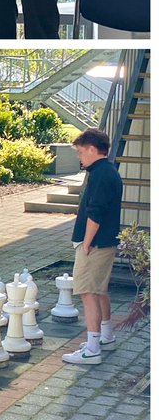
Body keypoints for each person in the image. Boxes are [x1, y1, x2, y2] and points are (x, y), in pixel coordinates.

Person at [63, 127, 123, 366]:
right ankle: (105, 337)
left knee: (87, 293)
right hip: (105, 243)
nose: (79, 157)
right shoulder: (107, 171)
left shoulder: (100, 175)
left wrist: (86, 244)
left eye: (80, 152)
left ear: (91, 149)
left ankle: (92, 348)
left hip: (95, 245)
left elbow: (95, 214)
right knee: (99, 290)